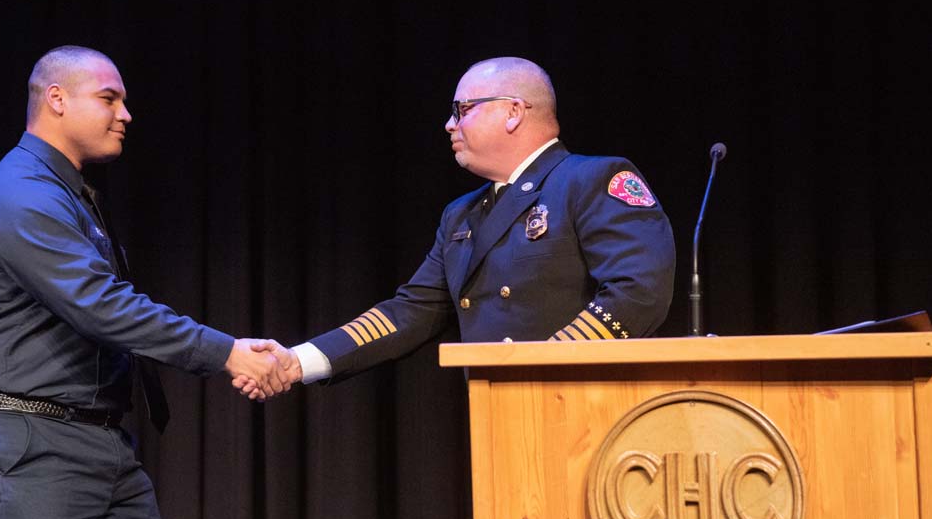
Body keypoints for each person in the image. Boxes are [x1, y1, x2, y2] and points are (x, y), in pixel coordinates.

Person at [0, 45, 288, 519]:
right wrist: (226, 351)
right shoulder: (21, 194)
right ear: (56, 99)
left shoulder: (66, 192)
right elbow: (101, 306)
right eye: (109, 98)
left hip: (97, 444)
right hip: (34, 448)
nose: (125, 113)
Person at [251, 56, 675, 387]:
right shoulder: (462, 214)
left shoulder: (591, 180)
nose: (449, 123)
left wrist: (541, 368)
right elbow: (409, 313)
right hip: (499, 405)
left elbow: (638, 293)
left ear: (513, 111)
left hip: (578, 402)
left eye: (463, 108)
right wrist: (298, 361)